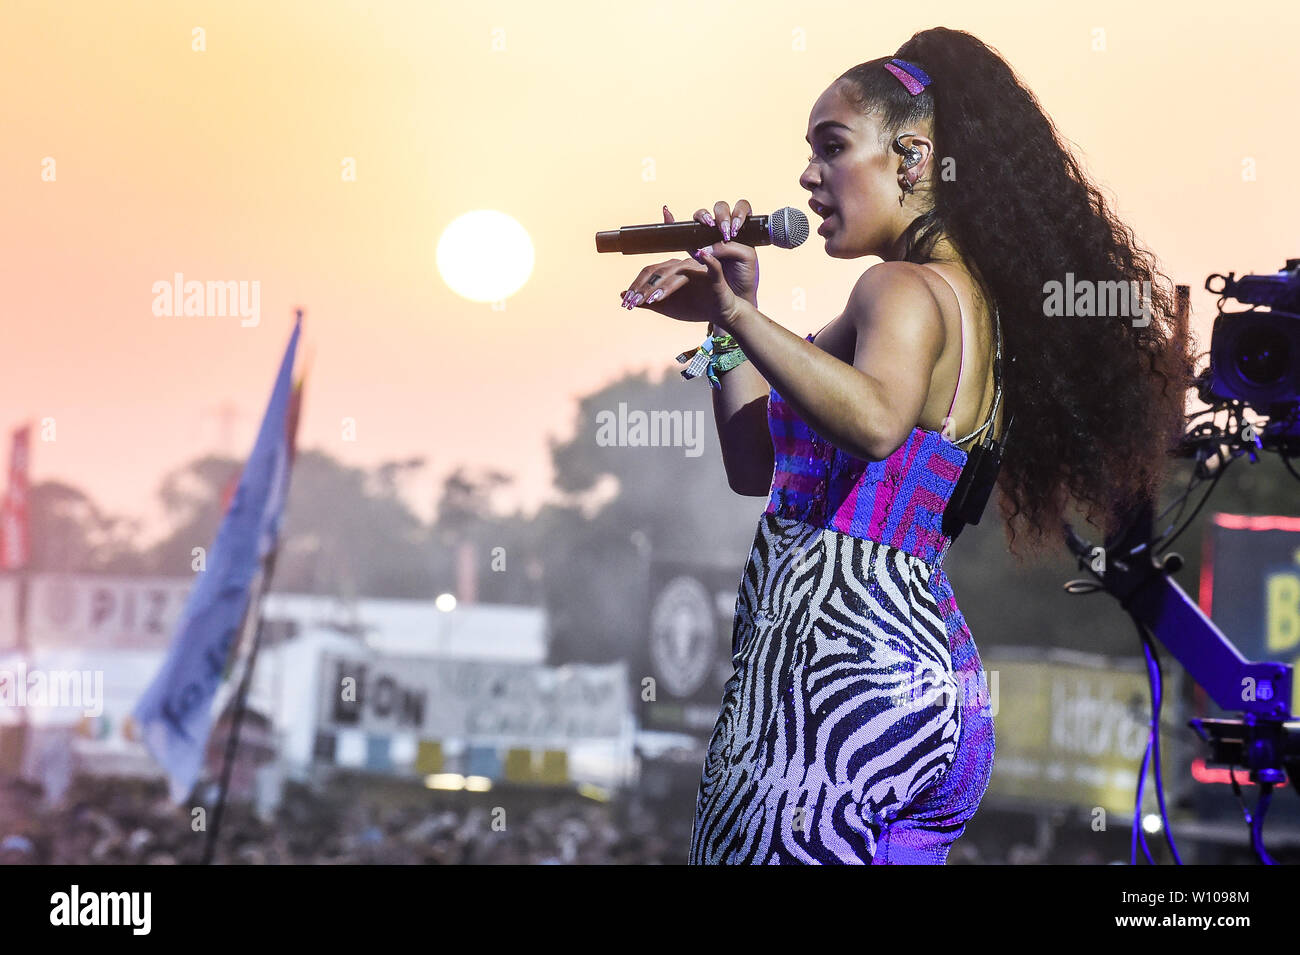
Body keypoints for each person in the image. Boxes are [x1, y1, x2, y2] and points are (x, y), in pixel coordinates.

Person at [616, 26, 1191, 864]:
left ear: (913, 156)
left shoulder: (897, 287)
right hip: (926, 677)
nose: (808, 176)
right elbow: (756, 464)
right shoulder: (967, 301)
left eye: (832, 146)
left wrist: (739, 314)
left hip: (832, 672)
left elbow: (878, 421)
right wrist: (729, 319)